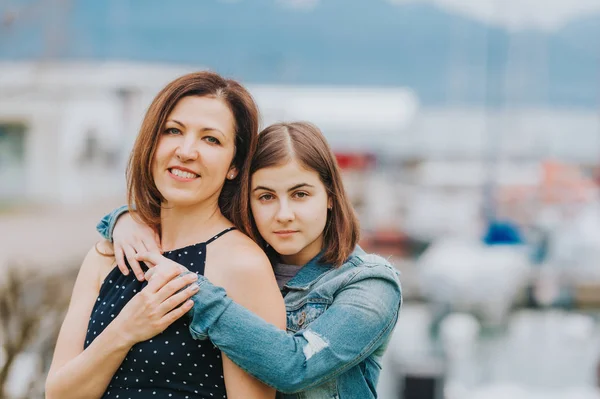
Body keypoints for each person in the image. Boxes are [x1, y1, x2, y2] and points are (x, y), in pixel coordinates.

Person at [99, 121, 402, 398]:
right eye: (266, 196)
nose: (284, 214)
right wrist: (124, 219)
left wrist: (194, 290)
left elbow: (296, 368)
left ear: (330, 196)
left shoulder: (371, 284)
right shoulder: (244, 263)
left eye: (300, 194)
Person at [45, 71, 286, 399]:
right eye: (173, 131)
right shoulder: (106, 254)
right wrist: (125, 330)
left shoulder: (243, 265)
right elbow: (59, 393)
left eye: (210, 139)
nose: (186, 151)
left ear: (235, 164)